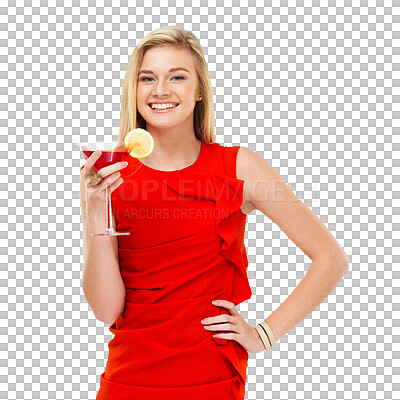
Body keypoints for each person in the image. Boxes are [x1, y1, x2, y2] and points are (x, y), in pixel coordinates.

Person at [80, 25, 349, 400]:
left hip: (210, 379)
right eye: (147, 78)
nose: (160, 90)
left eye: (177, 76)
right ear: (134, 90)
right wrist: (94, 213)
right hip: (128, 379)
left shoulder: (239, 167)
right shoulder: (110, 176)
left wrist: (263, 334)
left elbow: (330, 259)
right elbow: (106, 310)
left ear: (199, 90)